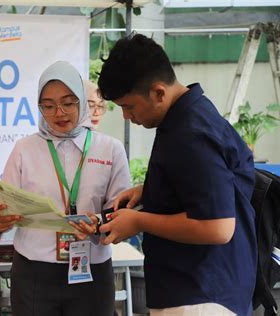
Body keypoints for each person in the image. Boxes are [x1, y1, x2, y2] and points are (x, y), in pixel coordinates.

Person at [97, 34, 256, 316]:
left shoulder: (190, 133)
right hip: (196, 289)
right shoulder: (189, 116)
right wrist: (150, 190)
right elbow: (204, 185)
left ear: (159, 92)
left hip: (199, 297)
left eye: (129, 106)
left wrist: (139, 221)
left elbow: (218, 227)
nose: (126, 117)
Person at [0, 61, 130, 316]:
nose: (59, 113)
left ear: (82, 101)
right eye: (49, 106)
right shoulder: (24, 149)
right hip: (34, 271)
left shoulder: (109, 149)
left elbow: (122, 210)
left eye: (68, 102)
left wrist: (98, 223)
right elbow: (4, 202)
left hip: (91, 269)